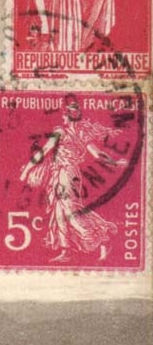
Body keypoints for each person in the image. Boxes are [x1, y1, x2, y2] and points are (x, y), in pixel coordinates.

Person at [19, 101, 127, 262]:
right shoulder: (82, 135)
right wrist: (114, 162)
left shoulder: (60, 132)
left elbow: (44, 151)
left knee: (70, 210)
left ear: (65, 117)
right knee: (59, 211)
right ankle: (66, 251)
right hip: (67, 173)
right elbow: (98, 155)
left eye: (64, 115)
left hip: (65, 173)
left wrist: (27, 170)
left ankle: (102, 238)